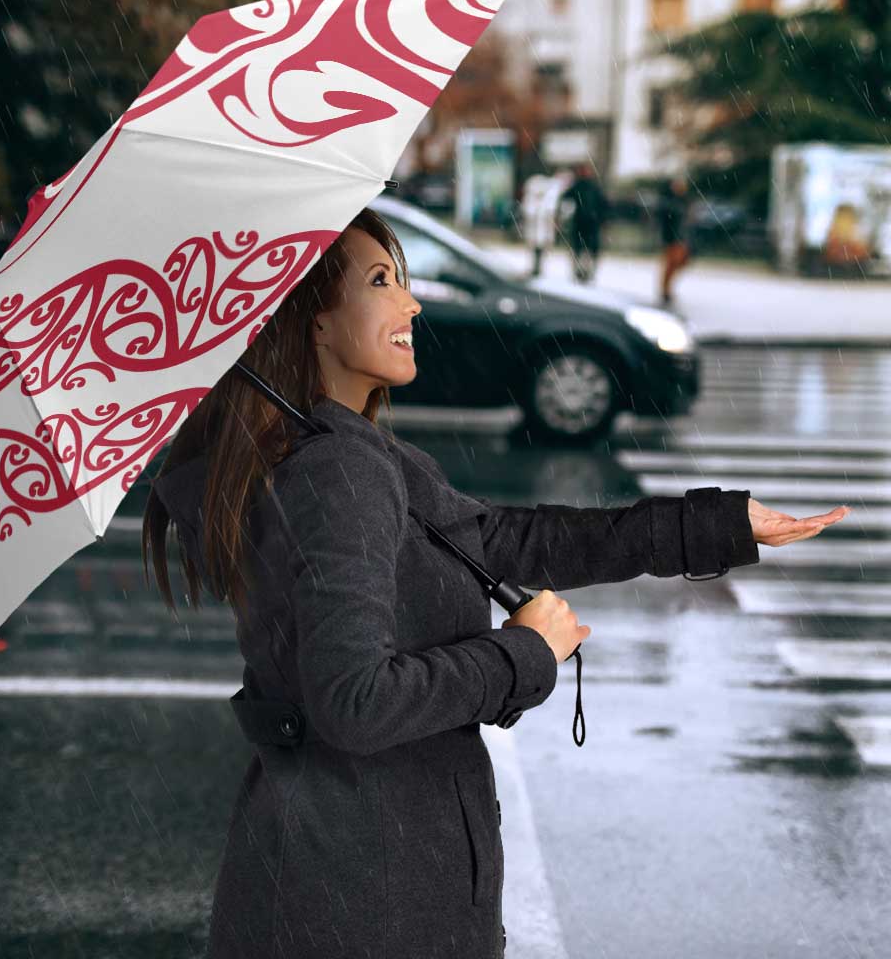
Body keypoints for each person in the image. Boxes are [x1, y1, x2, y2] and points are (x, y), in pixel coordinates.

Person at [143, 206, 846, 959]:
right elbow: (355, 702)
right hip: (367, 896)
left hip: (342, 875)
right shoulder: (338, 471)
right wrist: (522, 654)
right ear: (314, 320)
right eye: (381, 282)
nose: (411, 303)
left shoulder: (339, 453)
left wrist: (716, 526)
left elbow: (505, 541)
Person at [559, 161, 609, 284]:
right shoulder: (581, 186)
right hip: (583, 223)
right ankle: (580, 272)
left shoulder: (591, 187)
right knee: (581, 249)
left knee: (586, 250)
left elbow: (603, 205)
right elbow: (565, 198)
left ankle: (586, 272)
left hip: (589, 224)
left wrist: (602, 219)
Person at [657, 174, 693, 305]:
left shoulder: (683, 201)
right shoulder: (669, 202)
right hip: (672, 238)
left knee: (679, 262)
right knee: (671, 264)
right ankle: (665, 290)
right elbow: (666, 221)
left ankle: (666, 289)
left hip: (681, 238)